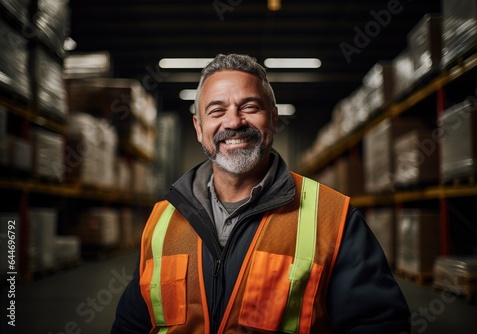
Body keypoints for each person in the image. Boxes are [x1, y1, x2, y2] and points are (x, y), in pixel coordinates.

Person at [111, 53, 411, 334]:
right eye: (217, 110)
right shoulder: (163, 218)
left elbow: (378, 324)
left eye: (250, 107)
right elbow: (133, 322)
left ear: (274, 119)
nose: (234, 122)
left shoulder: (333, 216)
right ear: (199, 128)